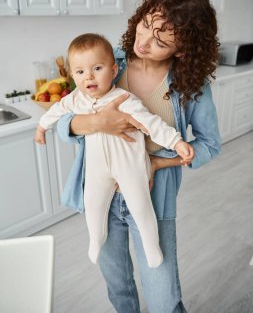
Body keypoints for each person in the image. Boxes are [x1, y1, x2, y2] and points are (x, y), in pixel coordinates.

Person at [57, 0, 221, 313]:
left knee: (164, 298)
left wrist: (158, 164)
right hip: (101, 196)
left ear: (182, 50)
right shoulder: (107, 62)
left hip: (153, 196)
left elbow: (209, 144)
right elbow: (64, 123)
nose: (144, 42)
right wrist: (98, 123)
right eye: (146, 25)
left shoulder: (190, 86)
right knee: (119, 288)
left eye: (161, 41)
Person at [34, 33, 194, 268]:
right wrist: (41, 127)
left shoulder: (124, 99)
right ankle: (95, 239)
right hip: (97, 167)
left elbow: (152, 124)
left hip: (128, 165)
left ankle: (152, 247)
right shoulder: (75, 100)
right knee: (93, 203)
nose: (88, 76)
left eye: (97, 68)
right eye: (80, 72)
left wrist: (177, 142)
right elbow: (56, 111)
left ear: (113, 69)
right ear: (72, 76)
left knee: (140, 205)